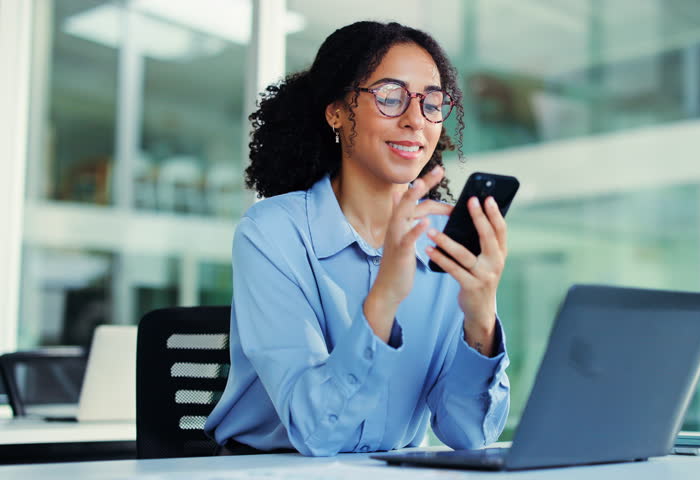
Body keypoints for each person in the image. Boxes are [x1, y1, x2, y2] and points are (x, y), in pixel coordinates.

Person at [204, 21, 511, 457]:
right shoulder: (271, 233)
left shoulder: (445, 242)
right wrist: (385, 296)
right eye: (389, 96)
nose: (414, 120)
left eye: (432, 103)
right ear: (337, 112)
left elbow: (468, 435)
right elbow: (318, 435)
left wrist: (481, 320)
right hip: (268, 470)